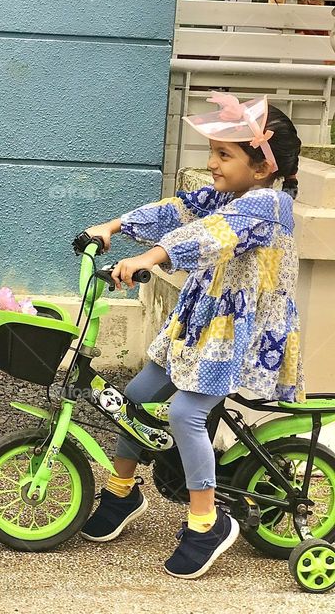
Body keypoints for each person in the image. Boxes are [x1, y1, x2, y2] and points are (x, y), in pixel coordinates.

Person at [80, 93, 303, 578]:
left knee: (185, 412)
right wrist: (113, 227)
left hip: (236, 333)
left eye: (224, 154)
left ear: (262, 167)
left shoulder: (268, 206)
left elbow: (209, 234)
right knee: (135, 397)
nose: (212, 163)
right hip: (200, 324)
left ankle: (206, 523)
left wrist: (149, 257)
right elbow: (180, 209)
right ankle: (122, 493)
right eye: (213, 152)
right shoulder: (230, 195)